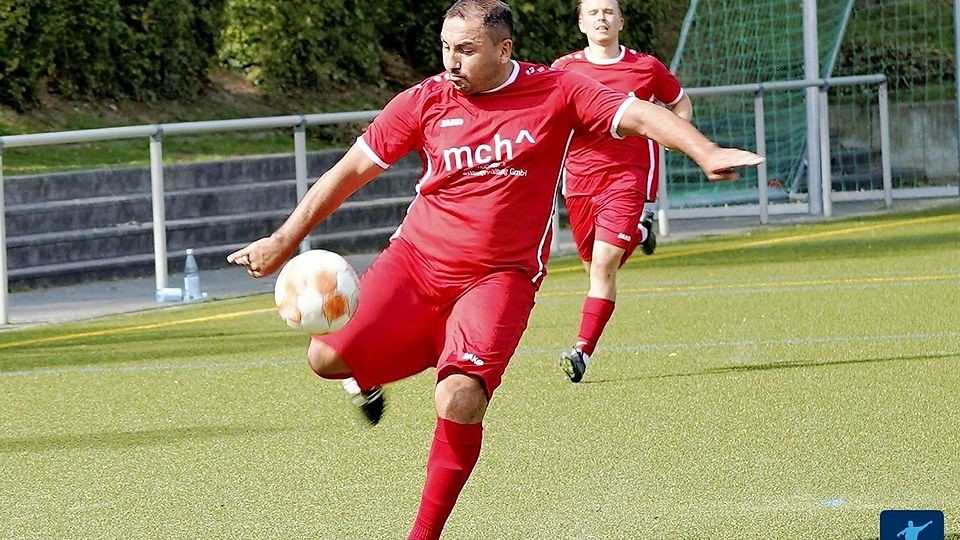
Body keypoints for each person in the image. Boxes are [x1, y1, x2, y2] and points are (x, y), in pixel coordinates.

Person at [227, 1, 762, 538]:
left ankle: (424, 531)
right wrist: (283, 239)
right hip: (415, 262)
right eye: (445, 47)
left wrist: (704, 151)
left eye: (465, 50)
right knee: (325, 358)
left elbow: (643, 114)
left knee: (460, 398)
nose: (451, 61)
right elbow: (347, 173)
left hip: (500, 277)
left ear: (503, 49)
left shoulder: (556, 89)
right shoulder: (424, 100)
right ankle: (442, 344)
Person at [551, 0, 693, 384]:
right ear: (581, 22)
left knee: (604, 265)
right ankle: (642, 233)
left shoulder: (644, 67)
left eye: (608, 11)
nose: (602, 18)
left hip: (627, 178)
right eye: (593, 12)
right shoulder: (564, 70)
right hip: (579, 184)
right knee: (594, 267)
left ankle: (581, 352)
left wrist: (675, 136)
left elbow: (679, 100)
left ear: (621, 21)